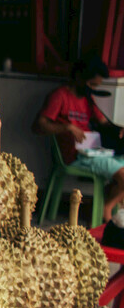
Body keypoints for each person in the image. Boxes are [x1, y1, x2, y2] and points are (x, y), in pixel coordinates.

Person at [33, 57, 124, 222]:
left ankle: (109, 201)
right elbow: (39, 125)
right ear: (79, 78)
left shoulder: (87, 99)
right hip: (74, 156)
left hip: (91, 153)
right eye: (91, 84)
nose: (93, 89)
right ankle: (107, 210)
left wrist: (120, 129)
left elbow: (104, 123)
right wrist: (67, 127)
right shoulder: (60, 96)